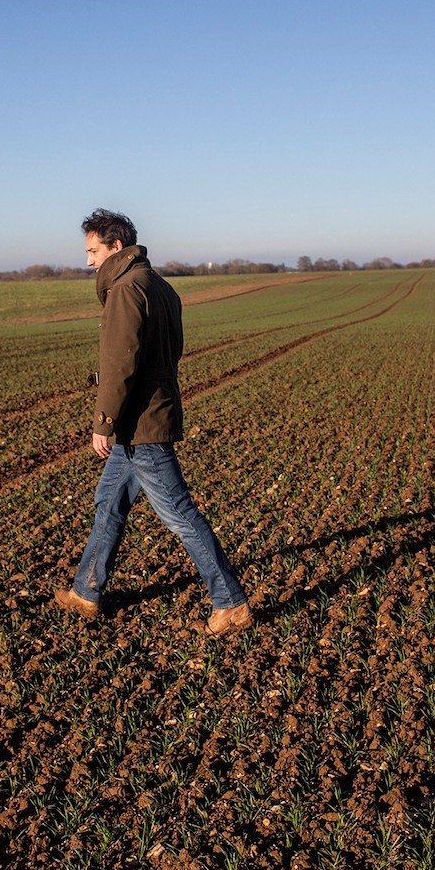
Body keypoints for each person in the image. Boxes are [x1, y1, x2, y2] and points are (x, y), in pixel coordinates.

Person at [53, 209, 252, 636]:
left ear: (116, 247)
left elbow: (120, 364)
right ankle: (86, 591)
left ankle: (230, 602)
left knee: (180, 514)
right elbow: (171, 352)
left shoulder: (126, 290)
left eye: (93, 251)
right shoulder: (161, 287)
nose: (89, 261)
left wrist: (104, 421)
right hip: (148, 416)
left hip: (140, 425)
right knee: (109, 502)